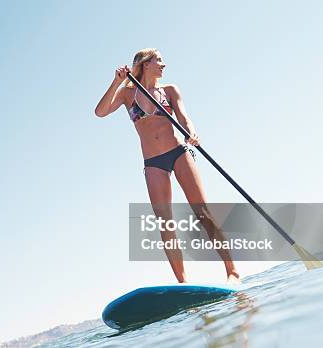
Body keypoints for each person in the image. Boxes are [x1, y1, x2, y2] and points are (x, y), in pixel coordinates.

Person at [94, 48, 240, 283]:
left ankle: (232, 271)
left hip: (178, 153)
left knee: (202, 212)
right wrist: (116, 82)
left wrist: (192, 133)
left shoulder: (169, 90)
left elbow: (183, 117)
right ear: (145, 64)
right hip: (153, 163)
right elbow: (100, 112)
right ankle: (183, 282)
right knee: (165, 221)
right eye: (159, 60)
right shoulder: (126, 94)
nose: (164, 64)